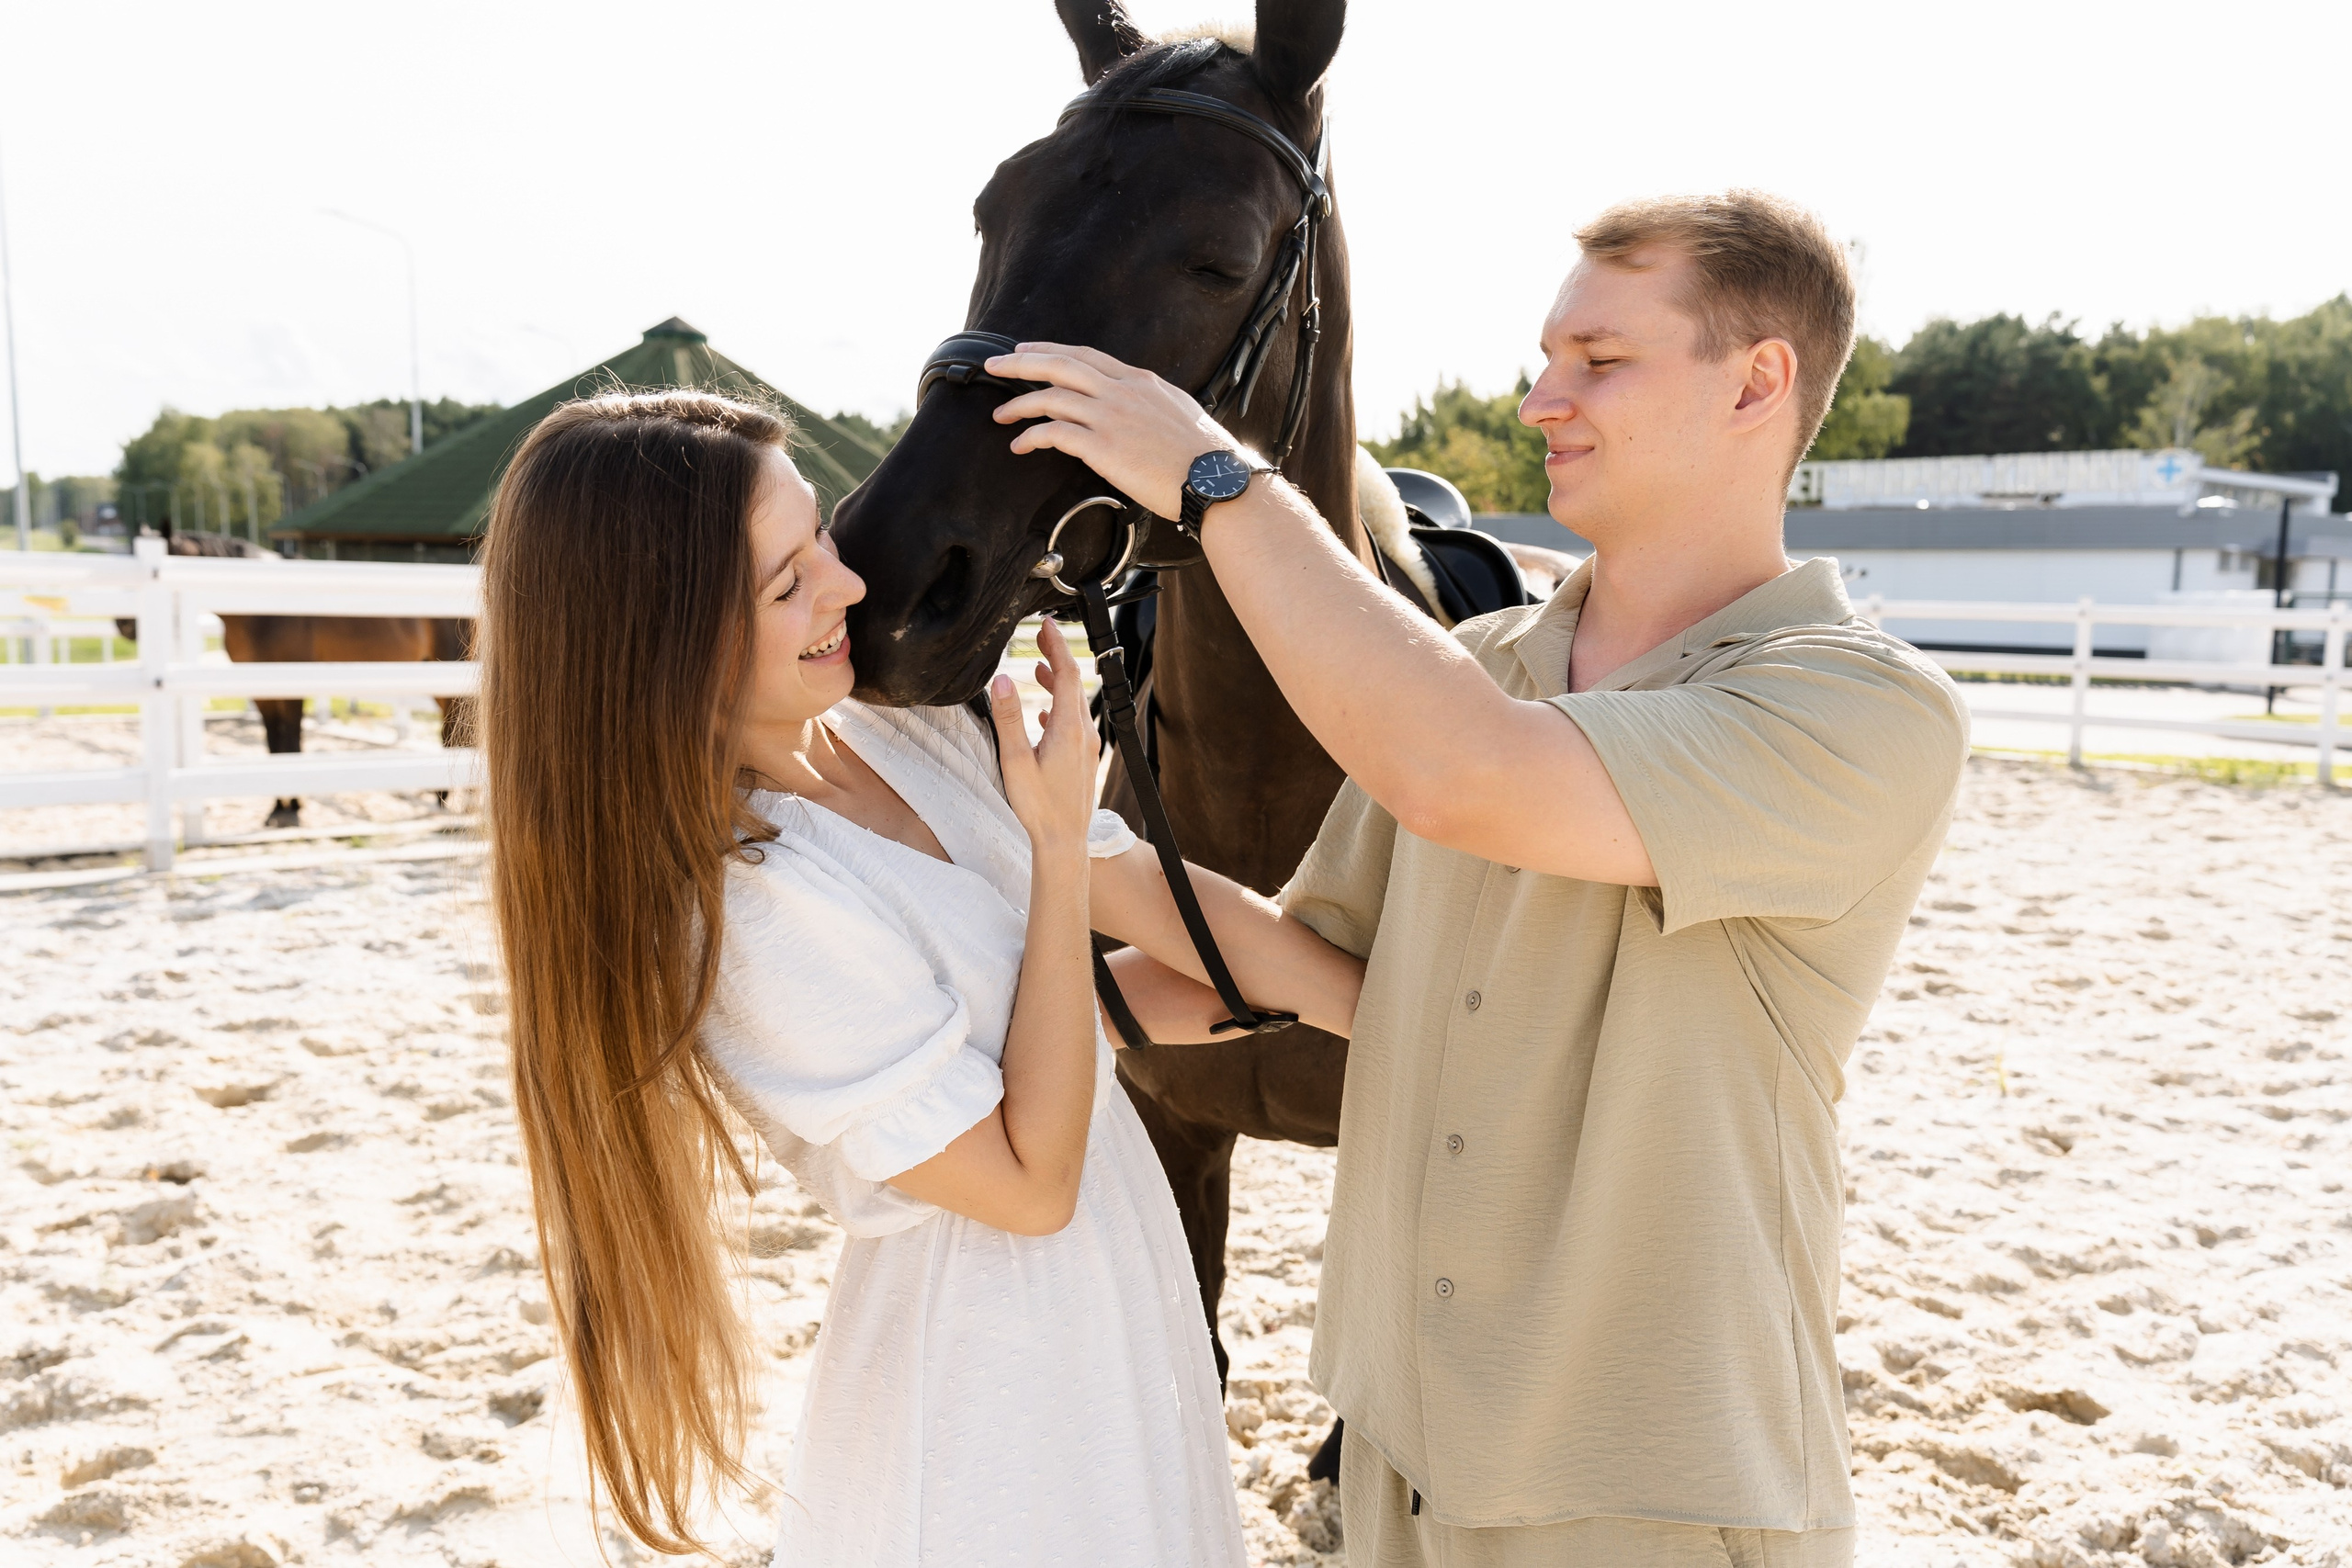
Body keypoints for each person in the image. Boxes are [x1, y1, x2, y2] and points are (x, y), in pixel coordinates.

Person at [986, 191, 1973, 1567]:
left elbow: (1474, 774)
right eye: (1547, 356)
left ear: (1760, 381)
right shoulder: (1490, 660)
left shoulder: (1862, 705)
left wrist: (1217, 478)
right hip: (1401, 1430)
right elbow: (1295, 970)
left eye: (1600, 359)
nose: (1538, 398)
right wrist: (1019, 883)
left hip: (1640, 1466)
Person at [475, 389, 1363, 1564]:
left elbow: (1146, 927)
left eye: (822, 544)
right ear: (660, 639)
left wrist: (1398, 1018)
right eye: (786, 585)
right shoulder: (741, 910)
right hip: (994, 1367)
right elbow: (1025, 1178)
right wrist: (1052, 843)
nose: (845, 590)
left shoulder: (894, 733)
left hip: (1115, 1289)